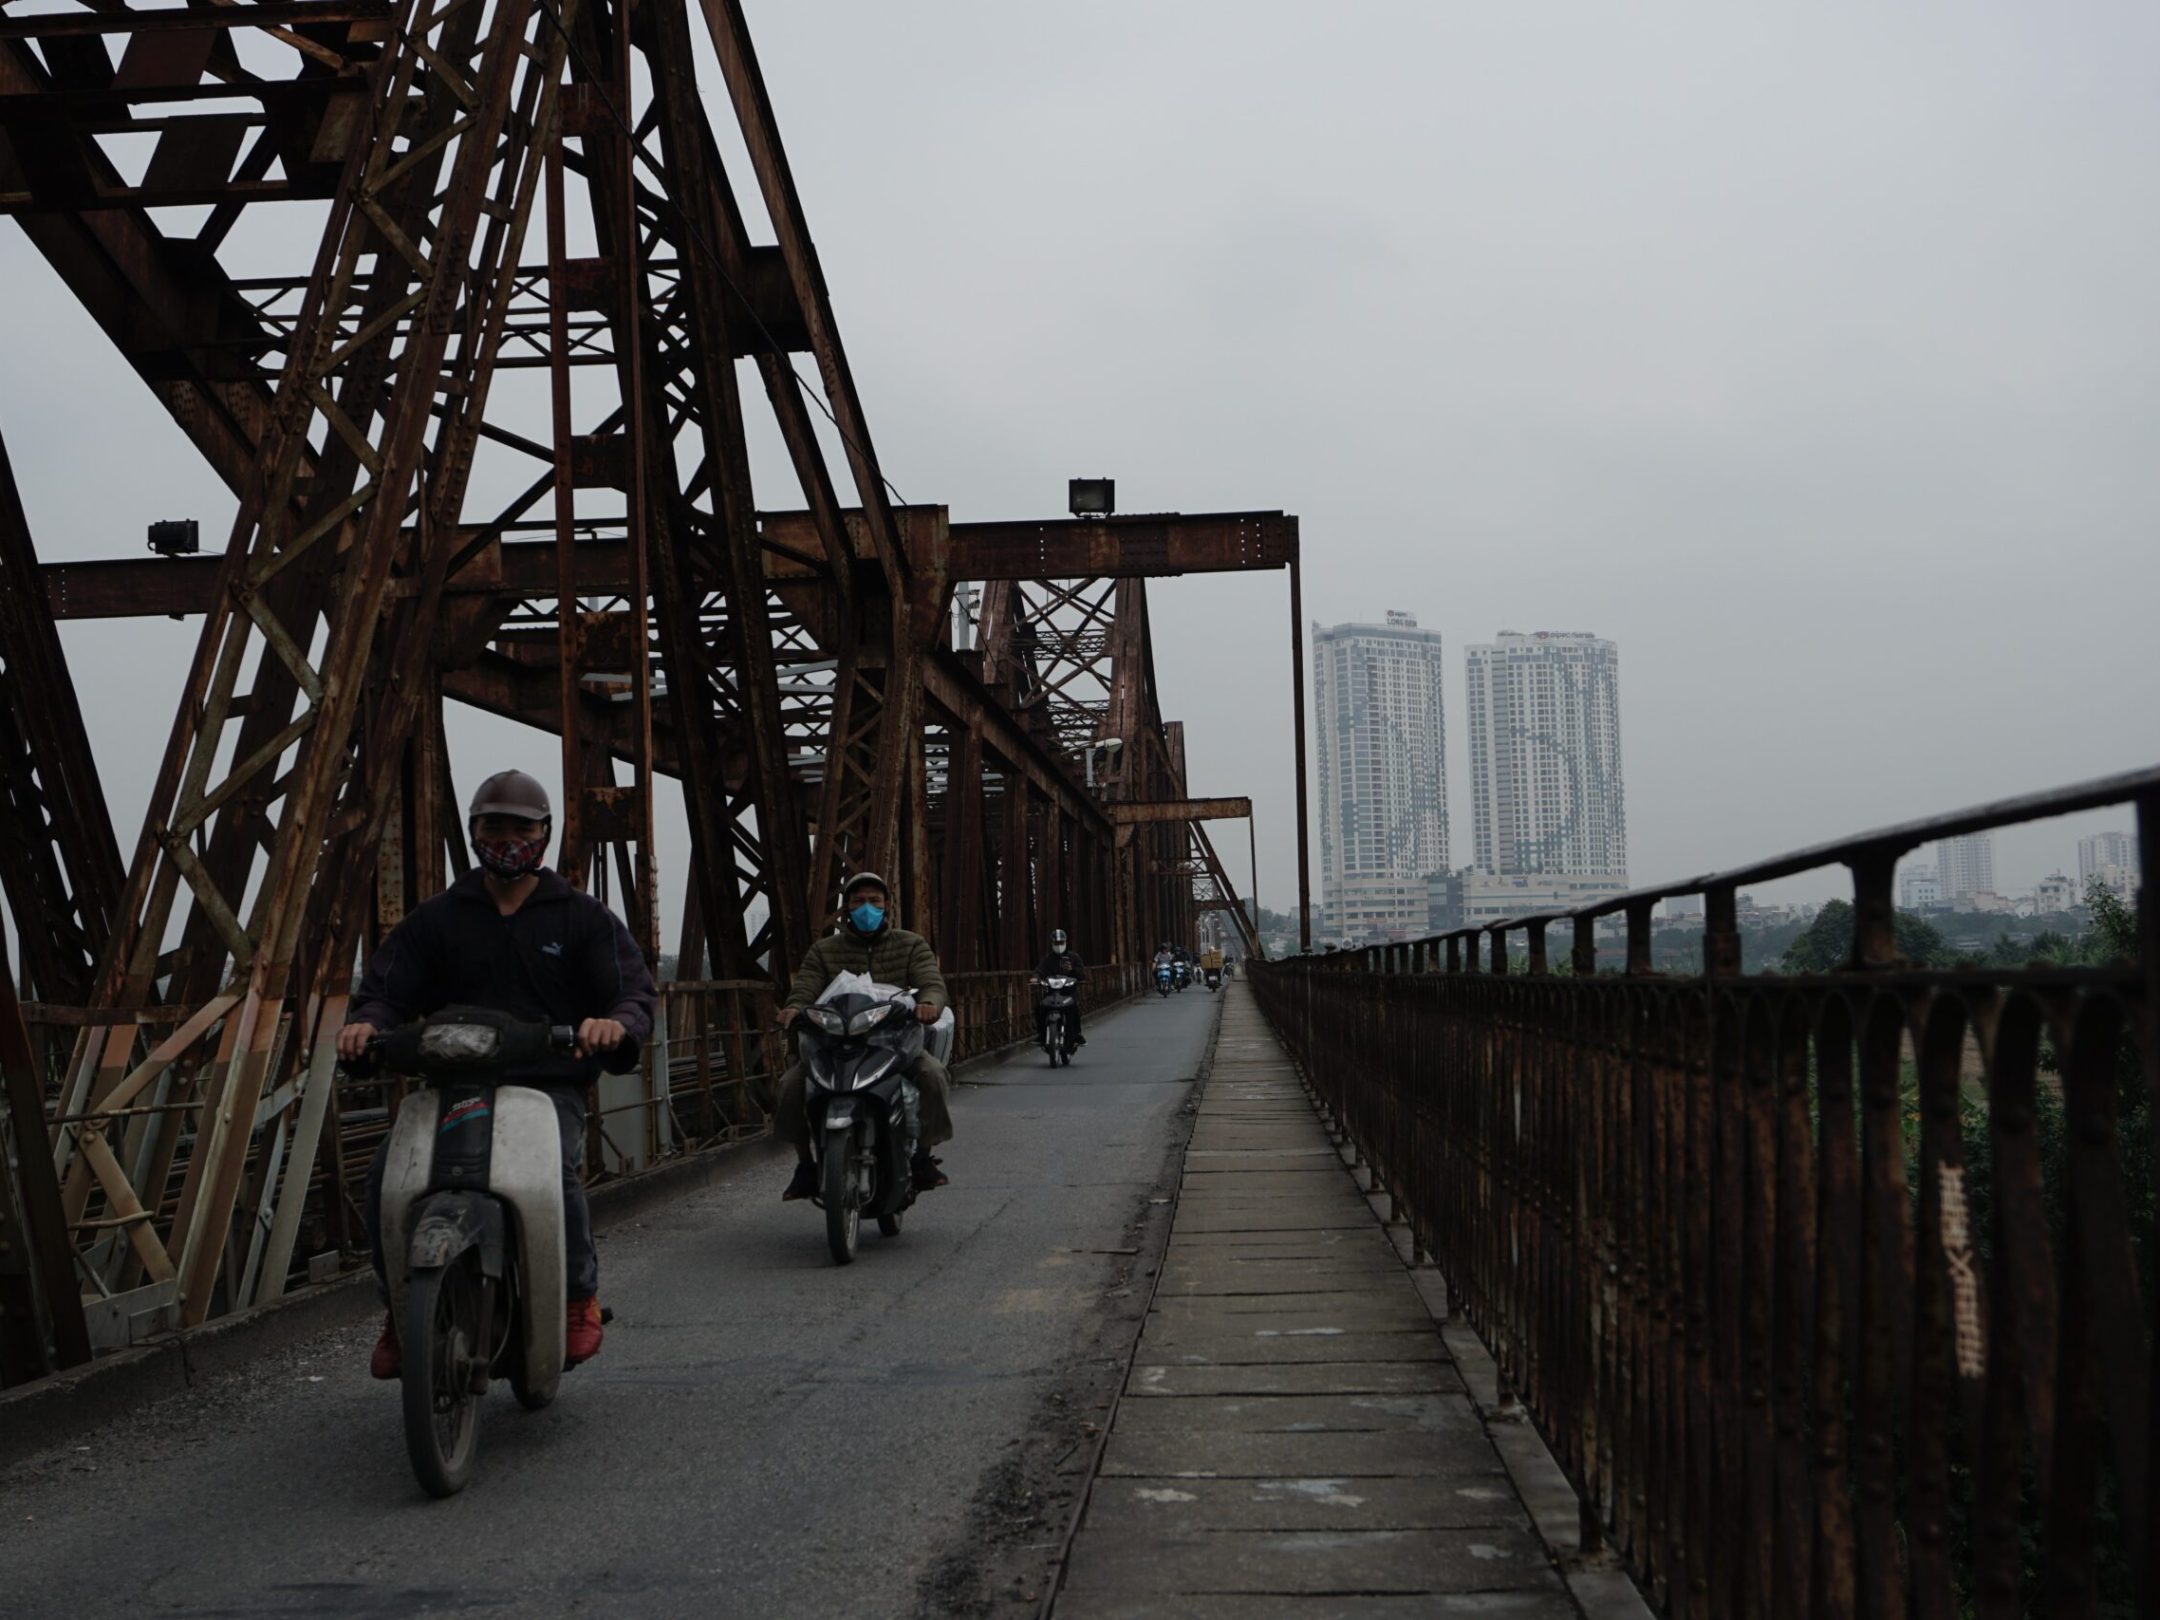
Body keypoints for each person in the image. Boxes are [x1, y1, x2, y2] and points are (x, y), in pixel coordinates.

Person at [338, 769, 657, 1381]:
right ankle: (401, 1311)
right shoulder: (439, 918)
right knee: (385, 1178)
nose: (506, 840)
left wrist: (615, 1024)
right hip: (454, 1083)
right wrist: (366, 1024)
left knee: (553, 1175)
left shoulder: (582, 918)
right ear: (473, 832)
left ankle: (577, 1296)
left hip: (546, 1084)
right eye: (493, 827)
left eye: (521, 829)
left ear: (544, 835)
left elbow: (632, 992)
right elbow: (386, 990)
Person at [774, 871, 954, 1200]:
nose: (866, 908)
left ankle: (922, 1156)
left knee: (933, 1075)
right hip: (834, 1043)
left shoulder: (910, 944)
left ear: (886, 907)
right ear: (846, 909)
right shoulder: (824, 950)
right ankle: (805, 1165)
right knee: (790, 1086)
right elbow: (805, 987)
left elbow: (931, 981)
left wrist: (929, 1003)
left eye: (874, 901)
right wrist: (794, 1008)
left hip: (894, 1041)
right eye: (858, 901)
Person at [1032, 927, 1087, 1048]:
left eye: (1061, 942)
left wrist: (1072, 970)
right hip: (1051, 992)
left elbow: (1082, 974)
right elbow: (1039, 971)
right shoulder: (1047, 959)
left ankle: (1077, 1034)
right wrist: (1036, 978)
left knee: (1074, 1008)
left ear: (1066, 942)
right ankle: (1042, 1034)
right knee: (1039, 1007)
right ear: (1052, 944)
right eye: (1056, 943)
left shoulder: (1073, 957)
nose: (1059, 945)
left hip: (1068, 992)